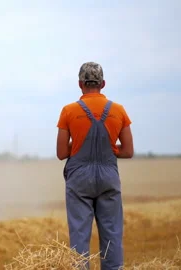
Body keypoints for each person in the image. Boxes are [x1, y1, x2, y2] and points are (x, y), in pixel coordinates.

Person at [56, 62, 134, 270]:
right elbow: (127, 151)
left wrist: (81, 144)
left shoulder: (68, 111)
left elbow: (62, 153)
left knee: (80, 235)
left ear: (80, 84)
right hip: (109, 177)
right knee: (112, 234)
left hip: (79, 180)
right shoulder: (119, 111)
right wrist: (107, 147)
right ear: (103, 83)